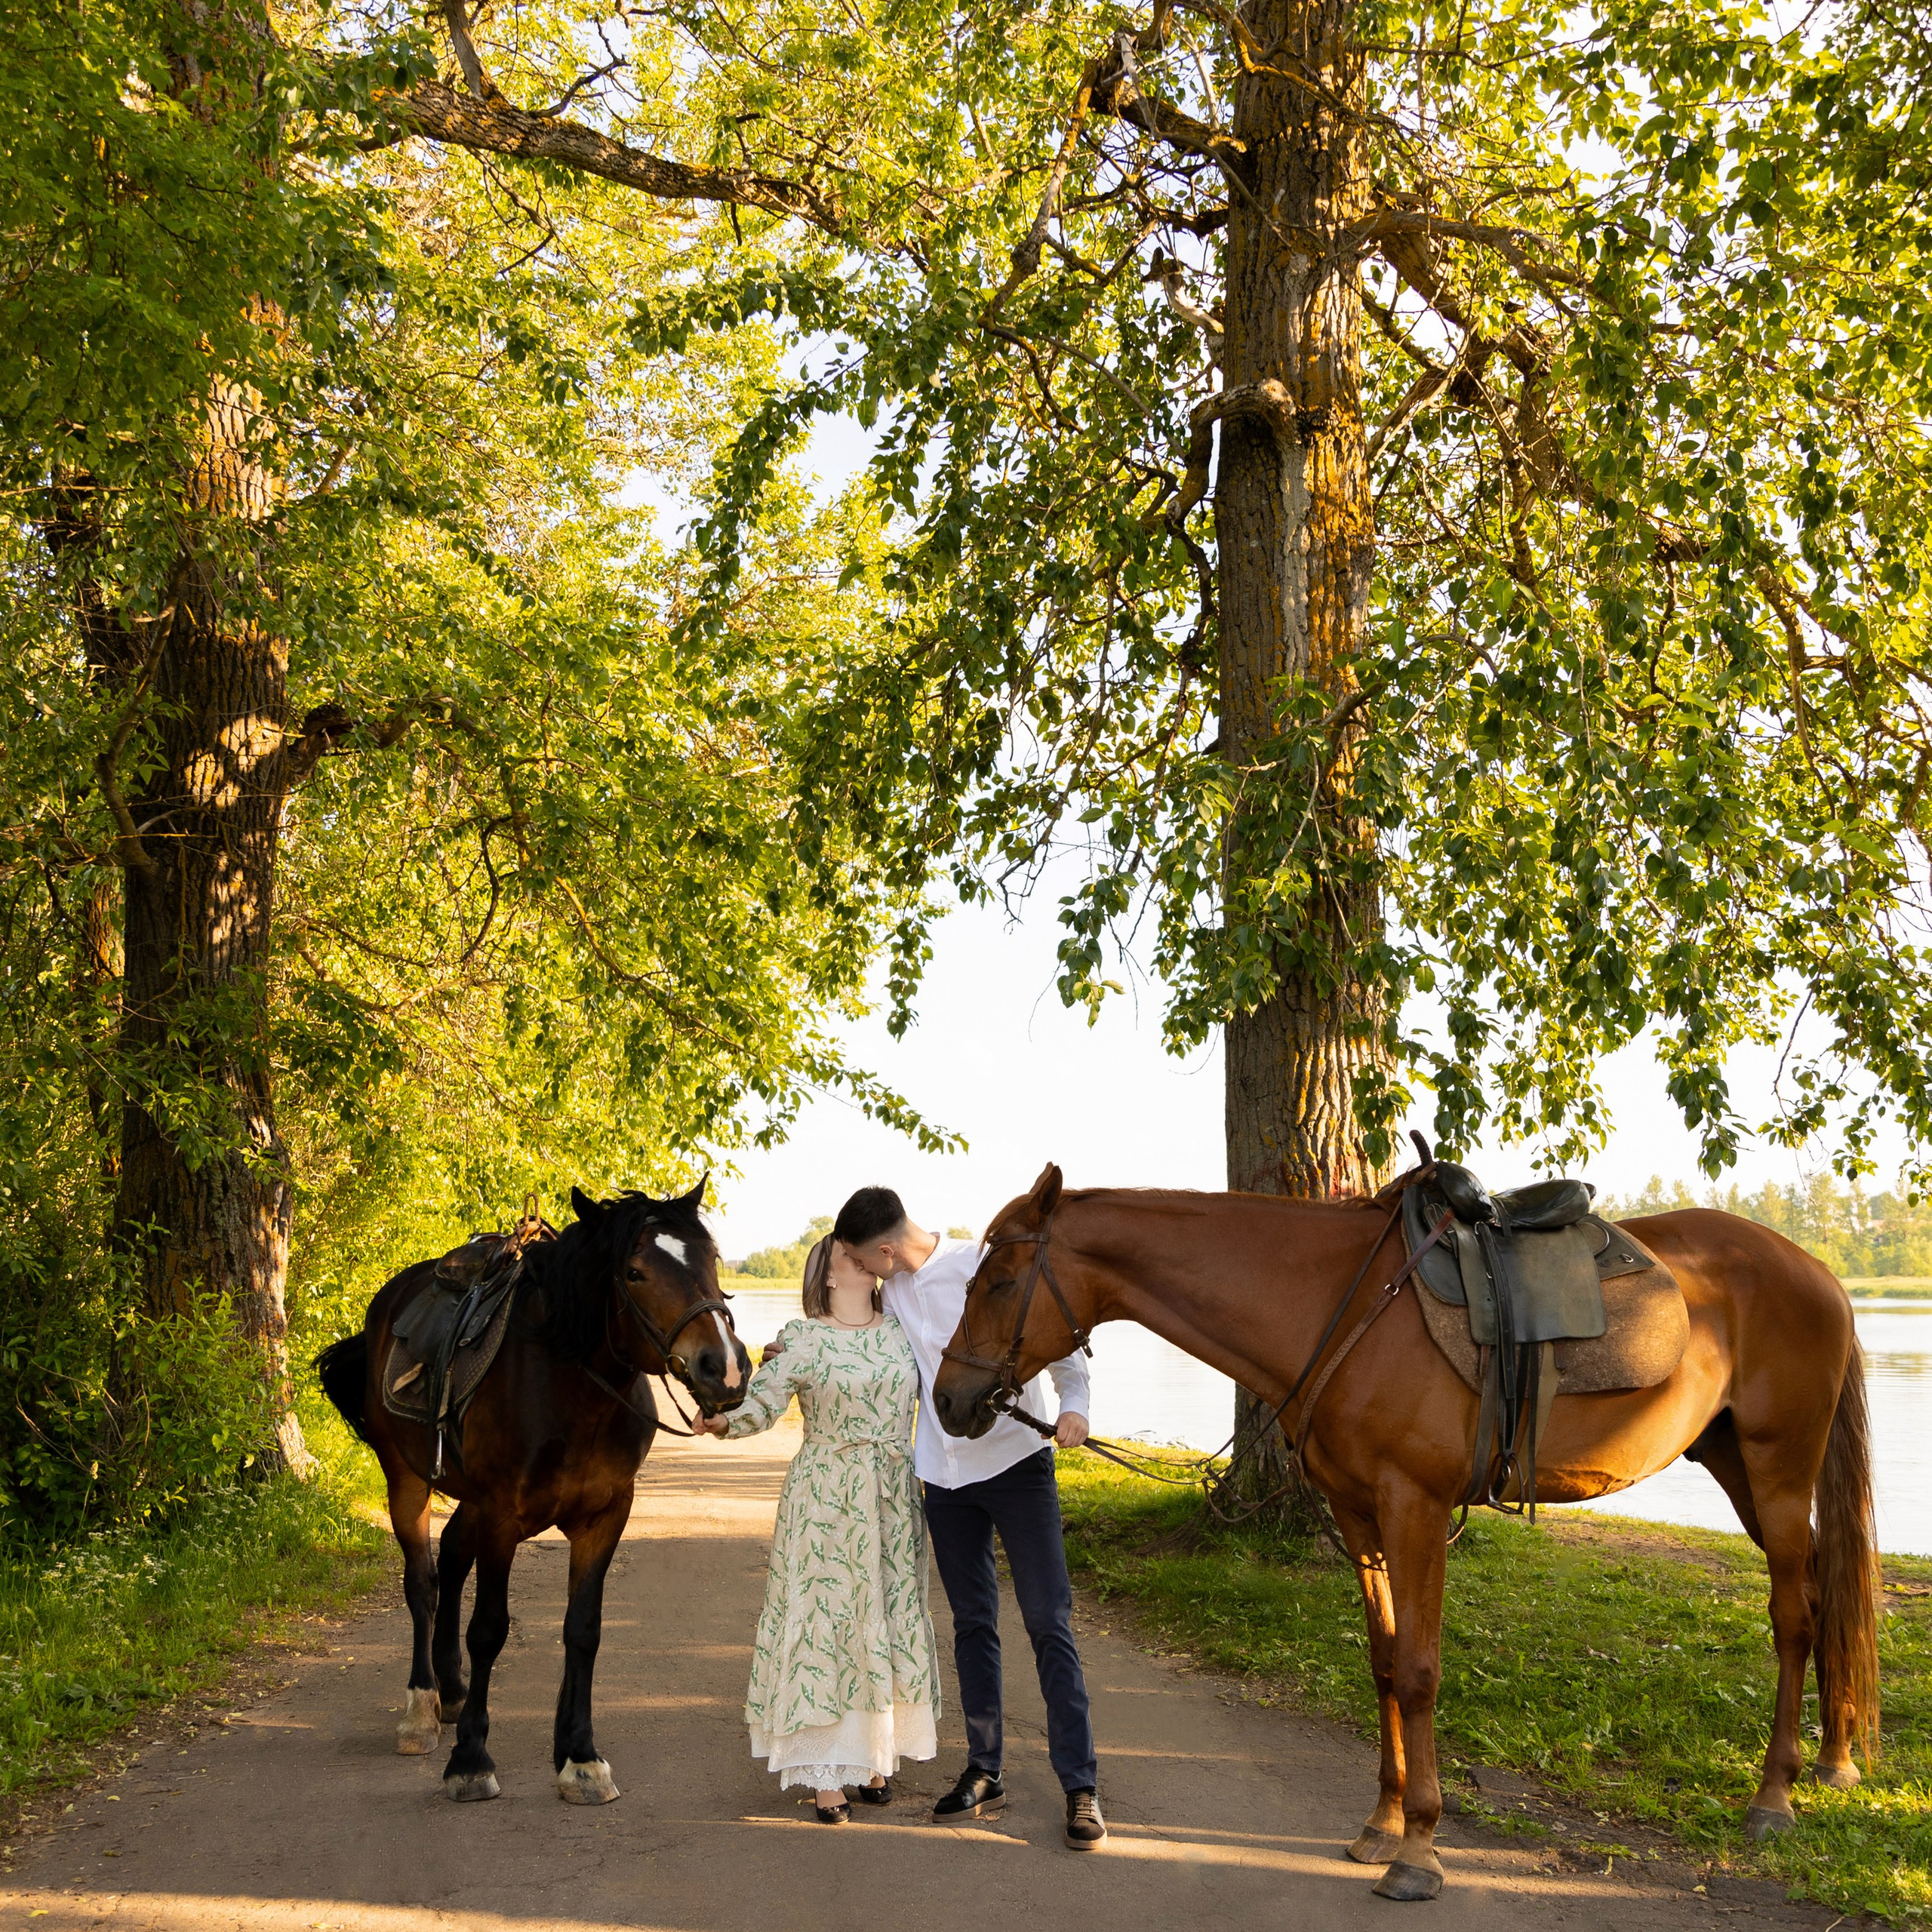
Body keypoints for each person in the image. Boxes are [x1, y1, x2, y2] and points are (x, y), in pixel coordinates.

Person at [833, 1185, 1106, 1850]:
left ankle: (1081, 1786)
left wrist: (1075, 1408)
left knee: (1048, 1622)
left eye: (865, 1260)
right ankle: (986, 1771)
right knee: (972, 1625)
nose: (864, 1271)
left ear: (887, 1250)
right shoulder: (892, 1292)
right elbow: (853, 1340)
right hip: (945, 1479)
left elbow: (1062, 1346)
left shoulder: (985, 1267)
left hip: (1017, 1468)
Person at [694, 1234, 940, 1823]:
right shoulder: (803, 1338)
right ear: (826, 1274)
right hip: (825, 1496)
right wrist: (724, 1422)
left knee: (885, 1613)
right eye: (845, 1252)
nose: (859, 1256)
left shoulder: (902, 1330)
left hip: (892, 1496)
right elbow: (763, 1404)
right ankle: (826, 1771)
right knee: (827, 1620)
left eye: (863, 1250)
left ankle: (874, 1755)